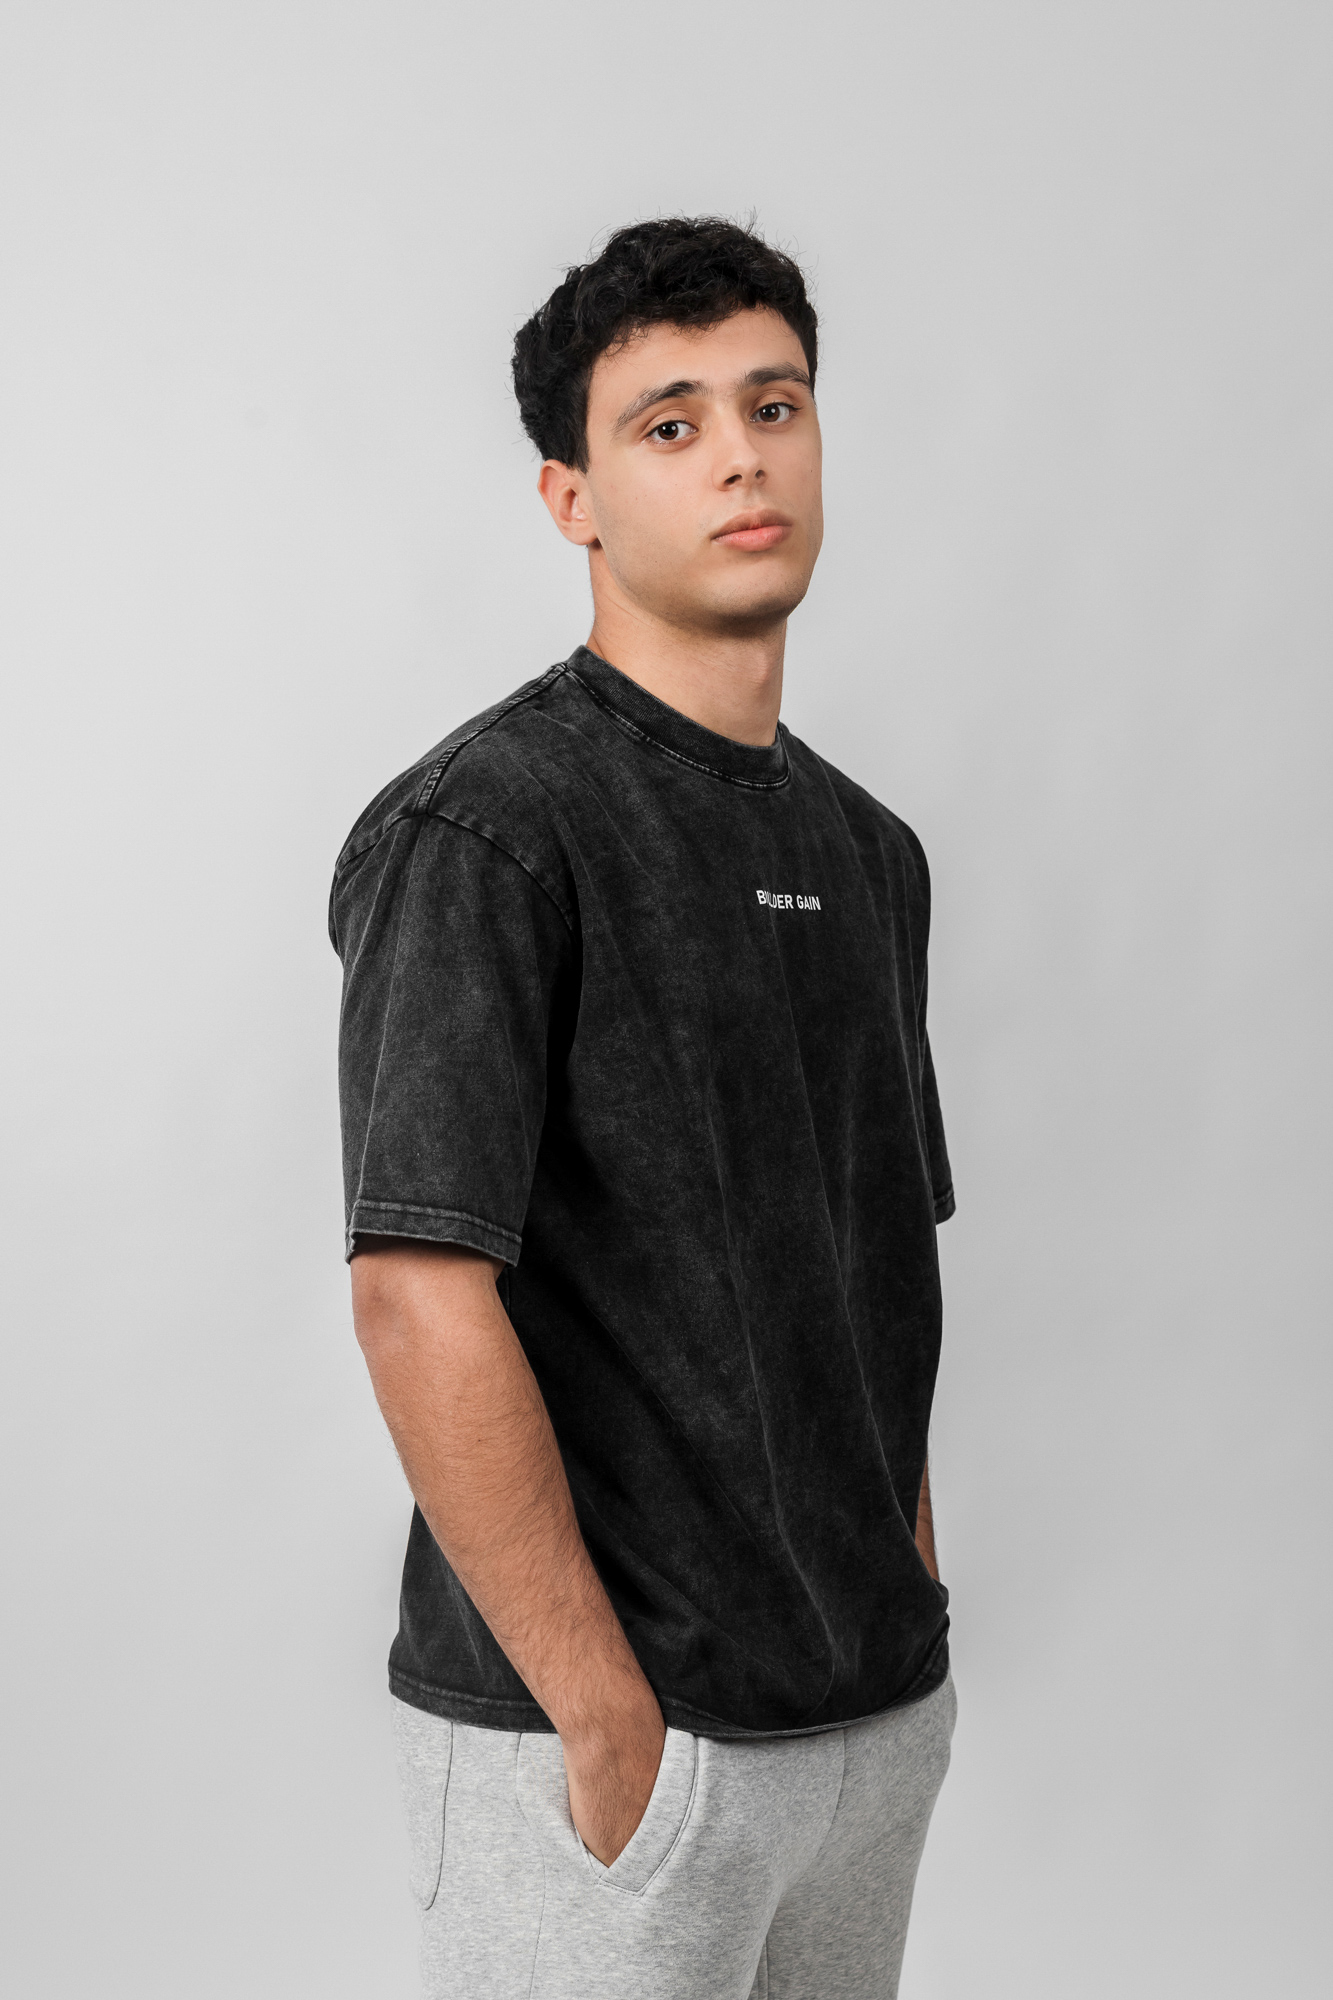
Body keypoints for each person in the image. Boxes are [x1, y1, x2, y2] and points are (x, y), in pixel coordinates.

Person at [331, 216, 957, 2000]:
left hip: (865, 1724)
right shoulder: (489, 830)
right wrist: (600, 1716)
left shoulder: (870, 852)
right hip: (616, 1757)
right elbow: (415, 1293)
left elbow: (870, 1266)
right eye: (667, 424)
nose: (741, 455)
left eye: (775, 404)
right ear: (573, 500)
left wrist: (908, 1608)